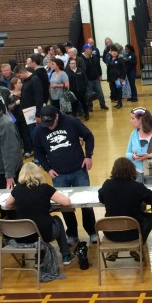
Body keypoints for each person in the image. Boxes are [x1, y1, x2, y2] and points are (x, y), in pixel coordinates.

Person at [33, 105, 98, 245]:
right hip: (58, 174)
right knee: (64, 206)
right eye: (46, 124)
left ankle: (92, 231)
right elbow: (38, 152)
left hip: (78, 170)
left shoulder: (71, 121)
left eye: (51, 123)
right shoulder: (39, 130)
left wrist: (88, 156)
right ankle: (72, 233)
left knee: (86, 202)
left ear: (56, 116)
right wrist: (47, 168)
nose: (49, 127)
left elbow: (88, 136)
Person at [4, 163, 75, 265]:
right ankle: (66, 255)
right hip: (45, 235)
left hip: (24, 236)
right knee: (56, 220)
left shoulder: (17, 189)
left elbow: (7, 205)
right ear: (38, 173)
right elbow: (67, 202)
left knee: (36, 222)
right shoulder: (45, 188)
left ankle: (41, 257)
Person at [98, 157, 152, 260]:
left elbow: (101, 199)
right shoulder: (138, 187)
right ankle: (138, 246)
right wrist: (150, 194)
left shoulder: (107, 185)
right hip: (133, 233)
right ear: (132, 170)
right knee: (151, 217)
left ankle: (114, 250)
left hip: (111, 233)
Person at [126, 107, 152, 240]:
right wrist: (134, 156)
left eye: (133, 118)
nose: (131, 121)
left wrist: (149, 156)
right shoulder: (133, 134)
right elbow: (127, 153)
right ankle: (142, 233)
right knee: (139, 204)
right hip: (137, 174)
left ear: (141, 120)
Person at [81, 44, 109, 110]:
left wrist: (100, 74)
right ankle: (90, 107)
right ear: (85, 50)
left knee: (100, 92)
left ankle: (103, 104)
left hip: (96, 78)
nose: (91, 50)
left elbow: (98, 66)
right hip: (88, 80)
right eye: (89, 49)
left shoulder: (94, 57)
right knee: (89, 94)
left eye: (91, 49)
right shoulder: (82, 59)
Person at [107, 44, 127, 109]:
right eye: (113, 51)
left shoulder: (120, 59)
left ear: (117, 52)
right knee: (114, 91)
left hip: (118, 79)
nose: (114, 52)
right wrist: (108, 78)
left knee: (119, 91)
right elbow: (108, 70)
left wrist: (122, 78)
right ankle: (117, 101)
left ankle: (119, 103)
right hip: (111, 79)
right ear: (111, 52)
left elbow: (124, 69)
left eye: (115, 51)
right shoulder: (110, 60)